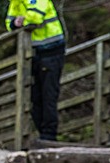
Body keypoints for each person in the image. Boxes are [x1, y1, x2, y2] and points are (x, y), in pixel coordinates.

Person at [5, 0, 66, 141]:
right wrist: (16, 23)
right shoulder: (15, 2)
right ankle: (43, 134)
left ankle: (49, 135)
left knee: (48, 93)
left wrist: (22, 20)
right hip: (34, 53)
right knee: (34, 96)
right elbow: (9, 23)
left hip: (52, 49)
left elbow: (36, 16)